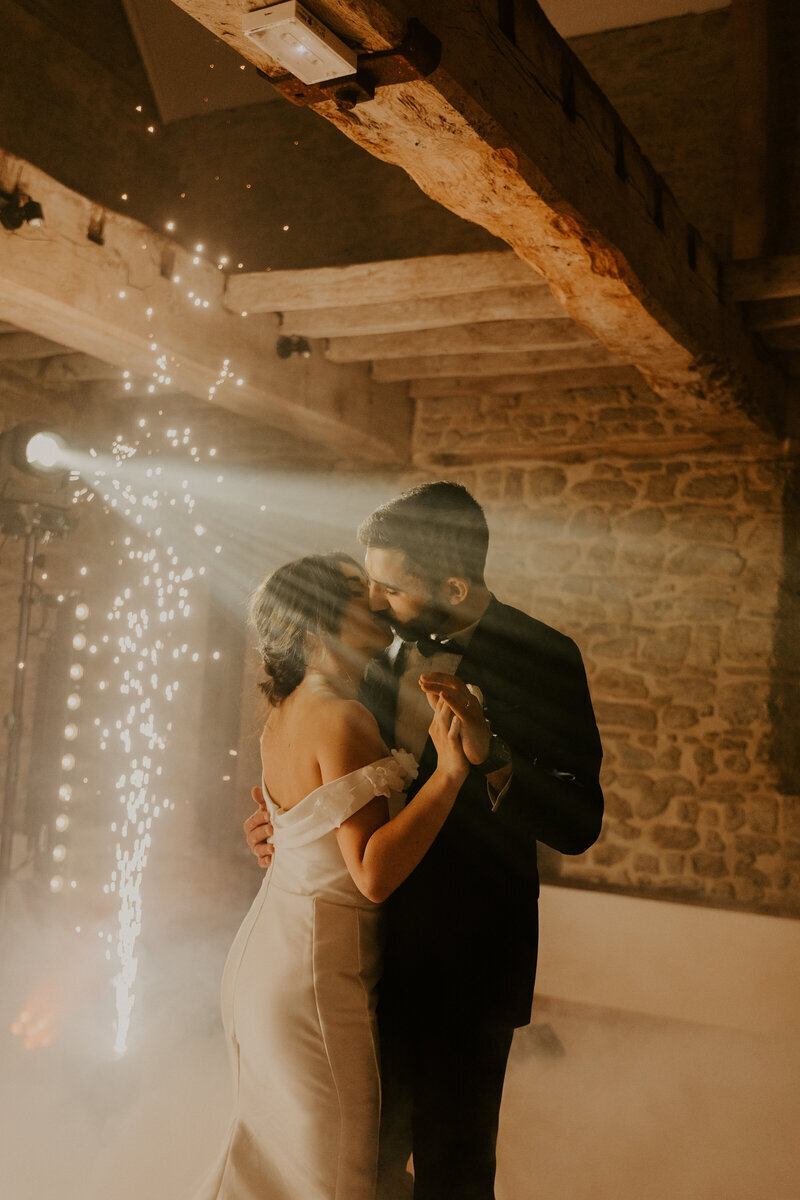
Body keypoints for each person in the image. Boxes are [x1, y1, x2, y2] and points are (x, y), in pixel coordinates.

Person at [245, 483, 604, 1200]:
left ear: (453, 585)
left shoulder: (545, 656)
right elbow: (338, 783)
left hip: (467, 962)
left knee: (453, 1172)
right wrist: (289, 830)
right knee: (358, 1166)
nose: (373, 601)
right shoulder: (368, 654)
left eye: (388, 585)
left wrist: (492, 755)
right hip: (355, 954)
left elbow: (578, 821)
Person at [188, 553, 470, 1200]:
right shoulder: (342, 716)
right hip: (313, 979)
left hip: (271, 957)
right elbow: (371, 874)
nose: (374, 598)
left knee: (275, 1167)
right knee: (333, 1176)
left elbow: (302, 831)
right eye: (354, 592)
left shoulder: (287, 712)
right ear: (317, 623)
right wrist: (452, 772)